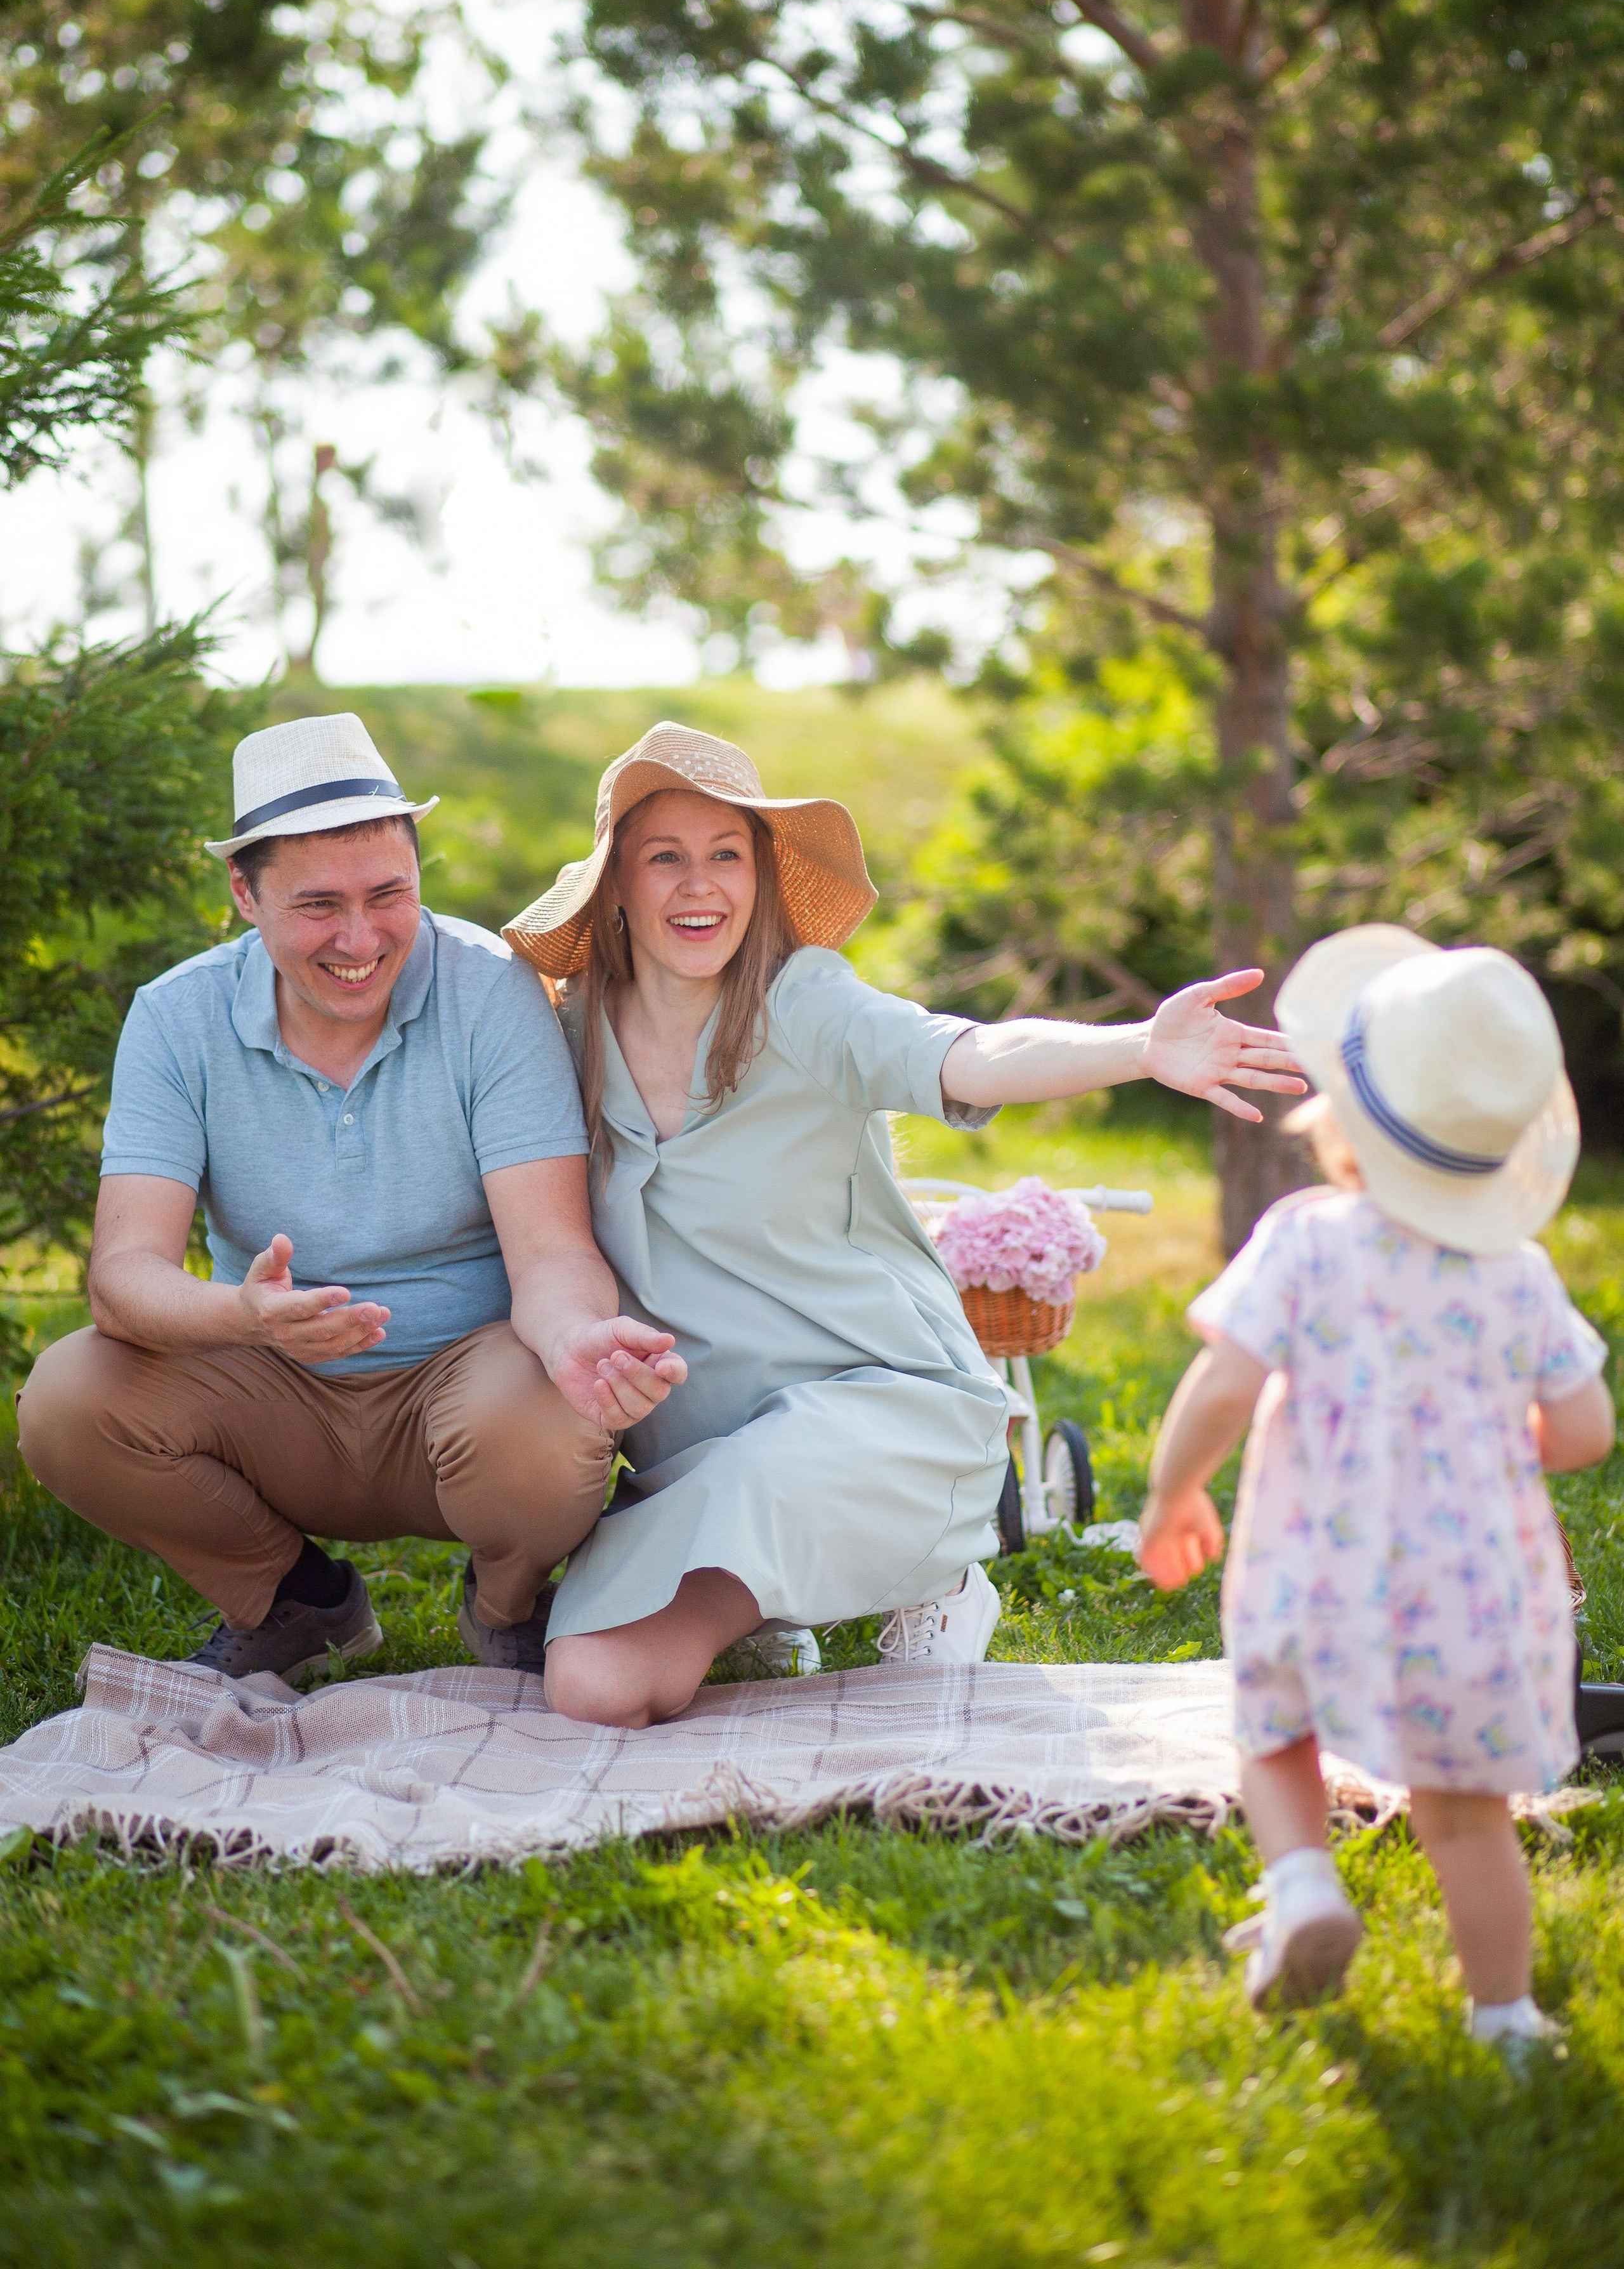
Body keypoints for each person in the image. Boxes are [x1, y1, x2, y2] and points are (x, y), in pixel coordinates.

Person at [499, 721, 1307, 1731]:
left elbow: (969, 1053)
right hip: (702, 1454)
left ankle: (935, 1576)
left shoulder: (804, 1003)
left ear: (761, 879)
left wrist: (1141, 1047)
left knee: (733, 1544)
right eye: (665, 857)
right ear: (615, 883)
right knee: (594, 1687)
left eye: (726, 856)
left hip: (881, 1419)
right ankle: (783, 1589)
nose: (697, 886)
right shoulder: (569, 1034)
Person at [16, 714, 684, 1684]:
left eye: (388, 896)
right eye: (318, 906)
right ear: (244, 892)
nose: (361, 939)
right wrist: (244, 1315)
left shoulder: (493, 991)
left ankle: (506, 1607)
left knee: (556, 1416)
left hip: (467, 1391)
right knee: (68, 1400)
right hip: (269, 1389)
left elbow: (549, 1251)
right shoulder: (176, 1017)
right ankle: (294, 1600)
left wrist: (576, 1335)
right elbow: (124, 1278)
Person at [1137, 926, 1615, 2058]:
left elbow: (1222, 1386)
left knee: (1277, 1731)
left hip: (1319, 1575)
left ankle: (1303, 1882)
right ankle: (1505, 2018)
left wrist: (1172, 1499)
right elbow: (1588, 1432)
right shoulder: (1523, 1275)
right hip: (1475, 1594)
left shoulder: (1306, 1244)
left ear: (1341, 1122)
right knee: (1467, 1813)